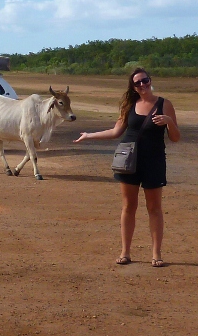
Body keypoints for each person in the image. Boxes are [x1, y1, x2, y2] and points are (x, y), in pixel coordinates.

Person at [74, 68, 180, 267]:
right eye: (137, 82)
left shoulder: (164, 104)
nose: (142, 85)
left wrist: (168, 122)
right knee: (128, 206)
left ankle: (156, 254)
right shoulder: (130, 105)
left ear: (150, 80)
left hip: (154, 161)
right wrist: (89, 136)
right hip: (129, 161)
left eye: (145, 80)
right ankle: (125, 252)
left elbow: (175, 137)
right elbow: (116, 131)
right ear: (133, 87)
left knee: (154, 208)